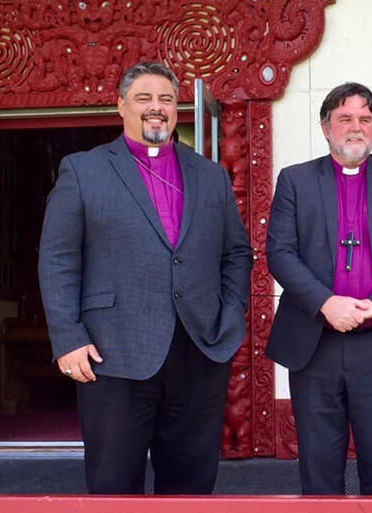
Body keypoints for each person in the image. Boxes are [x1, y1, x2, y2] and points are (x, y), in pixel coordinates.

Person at [38, 62, 252, 494]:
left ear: (177, 110)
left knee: (191, 486)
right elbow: (58, 258)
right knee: (114, 484)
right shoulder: (82, 170)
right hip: (112, 354)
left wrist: (230, 315)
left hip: (199, 350)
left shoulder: (209, 176)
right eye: (144, 98)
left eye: (167, 100)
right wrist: (68, 337)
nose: (157, 108)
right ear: (121, 106)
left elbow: (237, 253)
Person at [266, 82, 372, 495]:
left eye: (365, 118)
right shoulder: (295, 180)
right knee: (319, 467)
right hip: (314, 342)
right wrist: (326, 303)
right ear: (326, 127)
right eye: (345, 119)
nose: (355, 128)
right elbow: (280, 252)